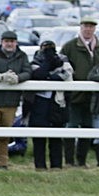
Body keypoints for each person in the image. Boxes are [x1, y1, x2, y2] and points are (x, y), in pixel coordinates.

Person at [0, 30, 31, 169]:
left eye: (12, 41)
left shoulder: (22, 56)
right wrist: (0, 77)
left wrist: (18, 78)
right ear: (2, 42)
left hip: (11, 101)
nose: (9, 44)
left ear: (16, 43)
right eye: (6, 41)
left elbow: (28, 72)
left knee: (6, 132)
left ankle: (3, 161)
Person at [60, 17, 99, 167]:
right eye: (86, 26)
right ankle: (69, 161)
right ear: (81, 27)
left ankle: (82, 161)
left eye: (91, 26)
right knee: (71, 127)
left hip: (93, 97)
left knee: (88, 128)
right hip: (74, 95)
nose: (88, 29)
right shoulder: (70, 46)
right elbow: (62, 67)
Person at [25, 40, 72, 171]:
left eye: (50, 48)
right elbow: (38, 75)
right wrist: (48, 62)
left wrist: (50, 77)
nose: (48, 50)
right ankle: (40, 166)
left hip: (57, 101)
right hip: (39, 102)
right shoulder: (35, 61)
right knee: (39, 136)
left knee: (56, 135)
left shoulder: (63, 60)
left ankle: (56, 166)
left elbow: (67, 75)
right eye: (45, 48)